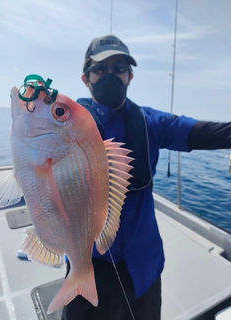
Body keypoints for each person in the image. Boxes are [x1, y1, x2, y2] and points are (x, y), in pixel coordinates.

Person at [62, 34, 231, 320]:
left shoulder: (151, 121)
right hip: (89, 263)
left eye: (119, 68)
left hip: (145, 264)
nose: (110, 75)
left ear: (130, 76)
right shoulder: (65, 122)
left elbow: (202, 132)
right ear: (85, 78)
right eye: (100, 69)